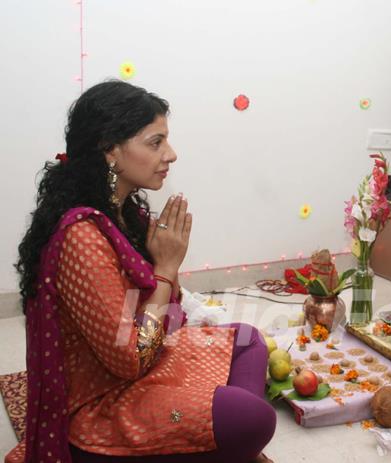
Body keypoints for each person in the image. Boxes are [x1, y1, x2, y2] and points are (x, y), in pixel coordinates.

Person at [9, 81, 276, 463]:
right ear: (111, 151)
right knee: (252, 418)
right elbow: (130, 358)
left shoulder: (126, 212)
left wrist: (169, 269)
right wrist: (166, 268)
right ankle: (220, 443)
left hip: (146, 365)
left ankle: (218, 445)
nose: (171, 154)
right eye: (155, 143)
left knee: (247, 339)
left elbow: (169, 314)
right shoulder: (81, 238)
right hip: (101, 404)